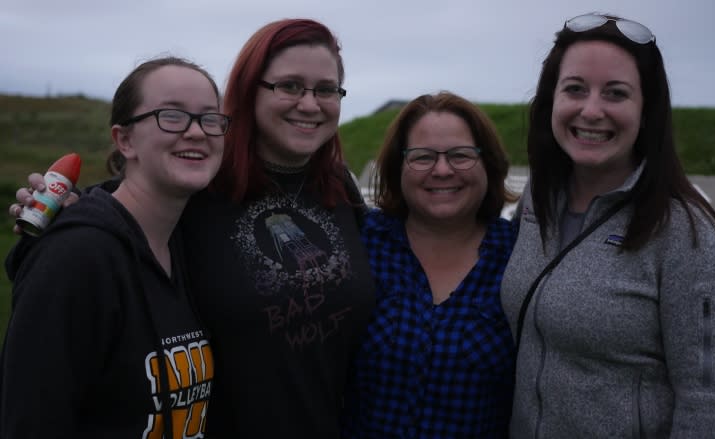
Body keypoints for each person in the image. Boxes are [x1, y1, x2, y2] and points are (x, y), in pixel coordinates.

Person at [7, 19, 375, 438]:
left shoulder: (338, 186)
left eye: (325, 89)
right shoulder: (202, 182)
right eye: (289, 86)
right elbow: (127, 203)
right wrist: (66, 216)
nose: (309, 103)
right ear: (249, 90)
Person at [500, 13, 715, 438]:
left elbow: (705, 405)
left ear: (646, 111)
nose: (592, 110)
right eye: (575, 89)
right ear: (551, 99)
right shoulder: (538, 198)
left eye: (616, 94)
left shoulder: (687, 235)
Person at [0, 56, 226, 438]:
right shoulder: (78, 256)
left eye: (210, 118)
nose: (197, 132)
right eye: (172, 115)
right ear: (124, 140)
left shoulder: (187, 243)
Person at [341, 92, 518, 438]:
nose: (441, 170)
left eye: (460, 156)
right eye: (422, 157)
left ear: (489, 164)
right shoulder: (362, 243)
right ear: (397, 168)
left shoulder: (518, 256)